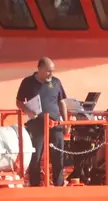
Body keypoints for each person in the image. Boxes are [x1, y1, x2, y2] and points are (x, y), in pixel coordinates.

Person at [16, 57, 68, 187]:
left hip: (55, 124)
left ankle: (59, 184)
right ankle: (35, 184)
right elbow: (19, 102)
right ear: (39, 68)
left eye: (52, 71)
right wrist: (27, 110)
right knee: (36, 156)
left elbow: (62, 102)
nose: (51, 74)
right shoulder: (27, 82)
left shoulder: (56, 82)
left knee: (58, 155)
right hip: (36, 125)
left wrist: (65, 122)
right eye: (48, 71)